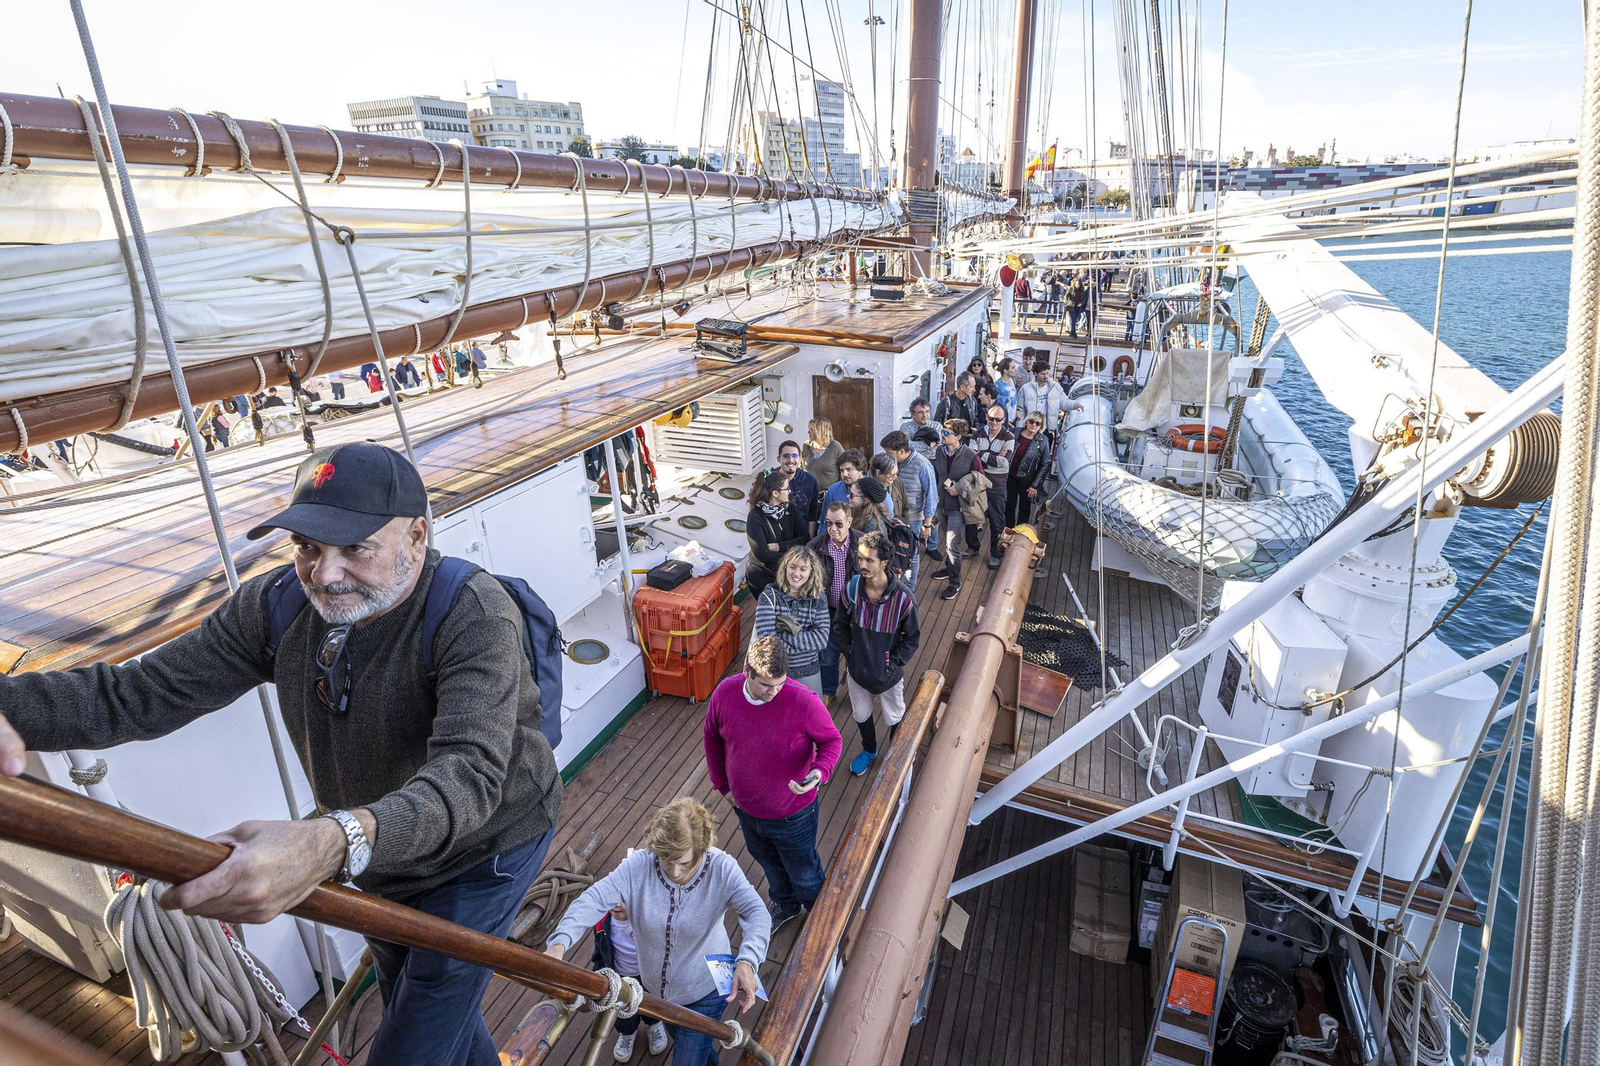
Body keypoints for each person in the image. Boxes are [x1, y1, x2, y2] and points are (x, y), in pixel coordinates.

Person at [0, 443, 563, 1066]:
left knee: (423, 1016)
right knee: (417, 990)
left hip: (483, 854)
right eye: (308, 548)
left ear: (417, 536)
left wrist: (330, 841)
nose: (324, 573)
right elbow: (137, 694)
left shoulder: (474, 613)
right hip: (372, 852)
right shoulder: (275, 608)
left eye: (355, 548)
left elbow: (470, 776)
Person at [545, 799, 769, 1066]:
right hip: (655, 994)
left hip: (705, 992)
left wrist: (747, 961)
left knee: (686, 1058)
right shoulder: (638, 866)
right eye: (666, 860)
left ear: (702, 849)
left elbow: (757, 913)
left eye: (685, 863)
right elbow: (591, 901)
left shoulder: (722, 869)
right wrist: (558, 946)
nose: (674, 871)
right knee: (693, 1046)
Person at [703, 637, 841, 928]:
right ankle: (786, 905)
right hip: (746, 811)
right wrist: (723, 786)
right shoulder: (724, 694)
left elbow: (831, 741)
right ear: (746, 671)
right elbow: (712, 738)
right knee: (769, 864)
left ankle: (820, 921)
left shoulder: (804, 701)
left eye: (780, 684)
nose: (774, 692)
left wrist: (818, 774)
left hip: (794, 815)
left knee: (805, 873)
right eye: (766, 685)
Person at [832, 531, 920, 775]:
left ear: (884, 562)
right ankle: (869, 750)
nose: (862, 565)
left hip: (888, 675)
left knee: (894, 716)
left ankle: (895, 753)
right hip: (857, 670)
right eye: (860, 559)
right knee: (861, 714)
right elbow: (839, 625)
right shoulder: (851, 589)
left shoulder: (903, 599)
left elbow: (912, 638)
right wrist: (851, 654)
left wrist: (891, 664)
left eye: (869, 560)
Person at [588, 900, 665, 1060]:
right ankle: (627, 1033)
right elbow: (599, 950)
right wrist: (600, 974)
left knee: (651, 1004)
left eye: (622, 899)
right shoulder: (602, 923)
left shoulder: (647, 919)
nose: (616, 904)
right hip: (619, 977)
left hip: (647, 975)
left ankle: (654, 1025)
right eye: (612, 898)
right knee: (621, 1013)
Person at [752, 547, 832, 694]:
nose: (796, 573)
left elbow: (821, 640)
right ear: (785, 567)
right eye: (792, 567)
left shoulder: (818, 598)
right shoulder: (769, 597)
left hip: (809, 673)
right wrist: (803, 648)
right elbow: (769, 644)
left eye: (803, 569)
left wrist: (784, 634)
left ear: (811, 572)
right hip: (774, 676)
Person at [807, 502, 860, 699]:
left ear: (849, 522)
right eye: (828, 523)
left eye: (838, 524)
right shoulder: (815, 547)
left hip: (856, 610)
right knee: (828, 655)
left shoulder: (863, 544)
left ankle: (858, 692)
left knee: (857, 653)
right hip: (827, 610)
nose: (833, 529)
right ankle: (828, 692)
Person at [930, 419, 984, 601]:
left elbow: (981, 482)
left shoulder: (971, 456)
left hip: (958, 509)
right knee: (947, 541)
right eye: (942, 432)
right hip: (942, 506)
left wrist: (959, 489)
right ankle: (949, 567)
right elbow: (937, 476)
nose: (942, 435)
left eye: (946, 433)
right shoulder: (939, 451)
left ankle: (954, 583)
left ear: (958, 437)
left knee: (952, 546)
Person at [881, 430, 937, 587]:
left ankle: (909, 588)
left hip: (913, 519)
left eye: (889, 452)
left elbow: (932, 497)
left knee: (912, 554)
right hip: (891, 517)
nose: (886, 456)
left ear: (902, 451)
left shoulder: (923, 465)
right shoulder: (891, 464)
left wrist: (927, 525)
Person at [744, 470, 809, 599]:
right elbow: (763, 554)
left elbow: (805, 538)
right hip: (763, 576)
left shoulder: (790, 509)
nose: (789, 492)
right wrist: (793, 559)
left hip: (786, 573)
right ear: (775, 493)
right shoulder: (755, 517)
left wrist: (780, 546)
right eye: (787, 489)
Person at [972, 405, 1015, 570]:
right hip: (978, 482)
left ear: (1004, 420)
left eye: (998, 419)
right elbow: (970, 455)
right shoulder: (977, 433)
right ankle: (973, 547)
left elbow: (1005, 463)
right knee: (972, 518)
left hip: (997, 486)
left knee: (997, 522)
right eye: (991, 418)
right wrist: (994, 456)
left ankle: (996, 555)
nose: (994, 422)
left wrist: (981, 453)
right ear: (986, 417)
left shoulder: (1009, 437)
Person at [1006, 412, 1053, 529]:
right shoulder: (1015, 432)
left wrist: (1035, 485)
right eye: (1032, 421)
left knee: (1024, 508)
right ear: (1027, 421)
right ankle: (1008, 531)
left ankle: (1019, 532)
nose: (1034, 425)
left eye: (1038, 423)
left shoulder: (1043, 440)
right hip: (1010, 477)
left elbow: (1044, 464)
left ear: (1041, 426)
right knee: (1009, 506)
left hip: (1027, 480)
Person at [818, 448, 891, 518]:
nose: (844, 474)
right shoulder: (833, 491)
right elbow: (824, 519)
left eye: (848, 469)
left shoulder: (874, 489)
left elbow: (889, 518)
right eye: (842, 470)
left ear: (861, 469)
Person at [772, 440, 821, 536]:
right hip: (775, 536)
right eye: (786, 456)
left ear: (800, 459)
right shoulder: (769, 479)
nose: (790, 460)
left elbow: (813, 512)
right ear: (778, 459)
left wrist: (809, 539)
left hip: (800, 537)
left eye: (794, 456)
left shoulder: (810, 480)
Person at [1017, 360, 1068, 442]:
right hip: (1030, 428)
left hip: (1047, 429)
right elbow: (1020, 409)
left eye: (1047, 373)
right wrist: (1020, 428)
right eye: (1043, 374)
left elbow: (1064, 402)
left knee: (1045, 454)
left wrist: (1075, 405)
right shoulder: (1025, 389)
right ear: (1036, 374)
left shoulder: (1055, 387)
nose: (1046, 376)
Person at [802, 418, 845, 494]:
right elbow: (801, 467)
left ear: (820, 431)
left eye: (811, 429)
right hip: (809, 493)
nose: (808, 432)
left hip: (830, 494)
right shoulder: (806, 446)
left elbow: (845, 470)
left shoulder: (835, 447)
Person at [933, 373, 981, 440]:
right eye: (971, 387)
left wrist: (976, 431)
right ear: (962, 387)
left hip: (968, 442)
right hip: (950, 443)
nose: (974, 390)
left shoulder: (972, 401)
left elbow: (975, 419)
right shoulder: (946, 403)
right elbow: (937, 425)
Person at [869, 451, 906, 518]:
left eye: (896, 473)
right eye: (892, 475)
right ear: (879, 473)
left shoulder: (897, 482)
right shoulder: (862, 490)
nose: (895, 477)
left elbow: (905, 508)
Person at [993, 356, 1019, 426]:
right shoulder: (998, 386)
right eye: (1013, 368)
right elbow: (1000, 408)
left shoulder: (1011, 380)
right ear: (1005, 370)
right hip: (1005, 423)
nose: (1015, 369)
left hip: (1013, 420)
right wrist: (1009, 424)